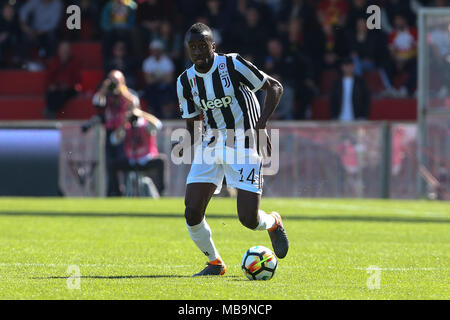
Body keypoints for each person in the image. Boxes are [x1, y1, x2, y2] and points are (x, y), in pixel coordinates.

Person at [175, 23, 289, 276]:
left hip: (245, 142)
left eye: (202, 45)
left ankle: (272, 222)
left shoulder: (232, 64)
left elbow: (275, 87)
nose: (198, 51)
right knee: (192, 211)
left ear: (212, 46)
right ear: (187, 50)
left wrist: (260, 127)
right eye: (193, 47)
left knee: (248, 219)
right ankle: (215, 263)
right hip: (212, 143)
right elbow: (193, 125)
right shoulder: (185, 82)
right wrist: (184, 143)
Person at [92, 70, 140, 196]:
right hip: (109, 132)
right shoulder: (107, 95)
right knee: (109, 163)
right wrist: (104, 88)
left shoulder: (128, 94)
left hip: (124, 132)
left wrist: (122, 90)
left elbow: (136, 107)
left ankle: (126, 191)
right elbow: (96, 102)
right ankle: (112, 191)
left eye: (115, 80)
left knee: (122, 161)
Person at [110, 107, 166, 195]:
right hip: (132, 161)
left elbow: (158, 125)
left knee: (161, 161)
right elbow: (113, 140)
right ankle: (117, 193)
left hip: (147, 159)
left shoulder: (145, 125)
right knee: (113, 164)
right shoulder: (126, 127)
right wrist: (124, 122)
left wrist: (142, 114)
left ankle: (161, 191)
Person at [44, 41, 81, 118]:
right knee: (51, 93)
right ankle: (50, 111)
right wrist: (52, 85)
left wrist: (68, 85)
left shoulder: (74, 63)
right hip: (57, 87)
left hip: (69, 88)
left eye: (66, 50)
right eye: (63, 50)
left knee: (63, 94)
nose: (64, 52)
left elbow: (77, 79)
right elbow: (49, 77)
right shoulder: (55, 62)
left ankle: (51, 111)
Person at [329, 57, 371, 121]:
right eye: (346, 66)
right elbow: (333, 100)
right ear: (342, 67)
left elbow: (366, 99)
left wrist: (363, 116)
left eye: (350, 66)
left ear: (353, 66)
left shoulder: (360, 82)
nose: (348, 68)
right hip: (340, 118)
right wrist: (334, 116)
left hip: (357, 118)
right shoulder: (337, 83)